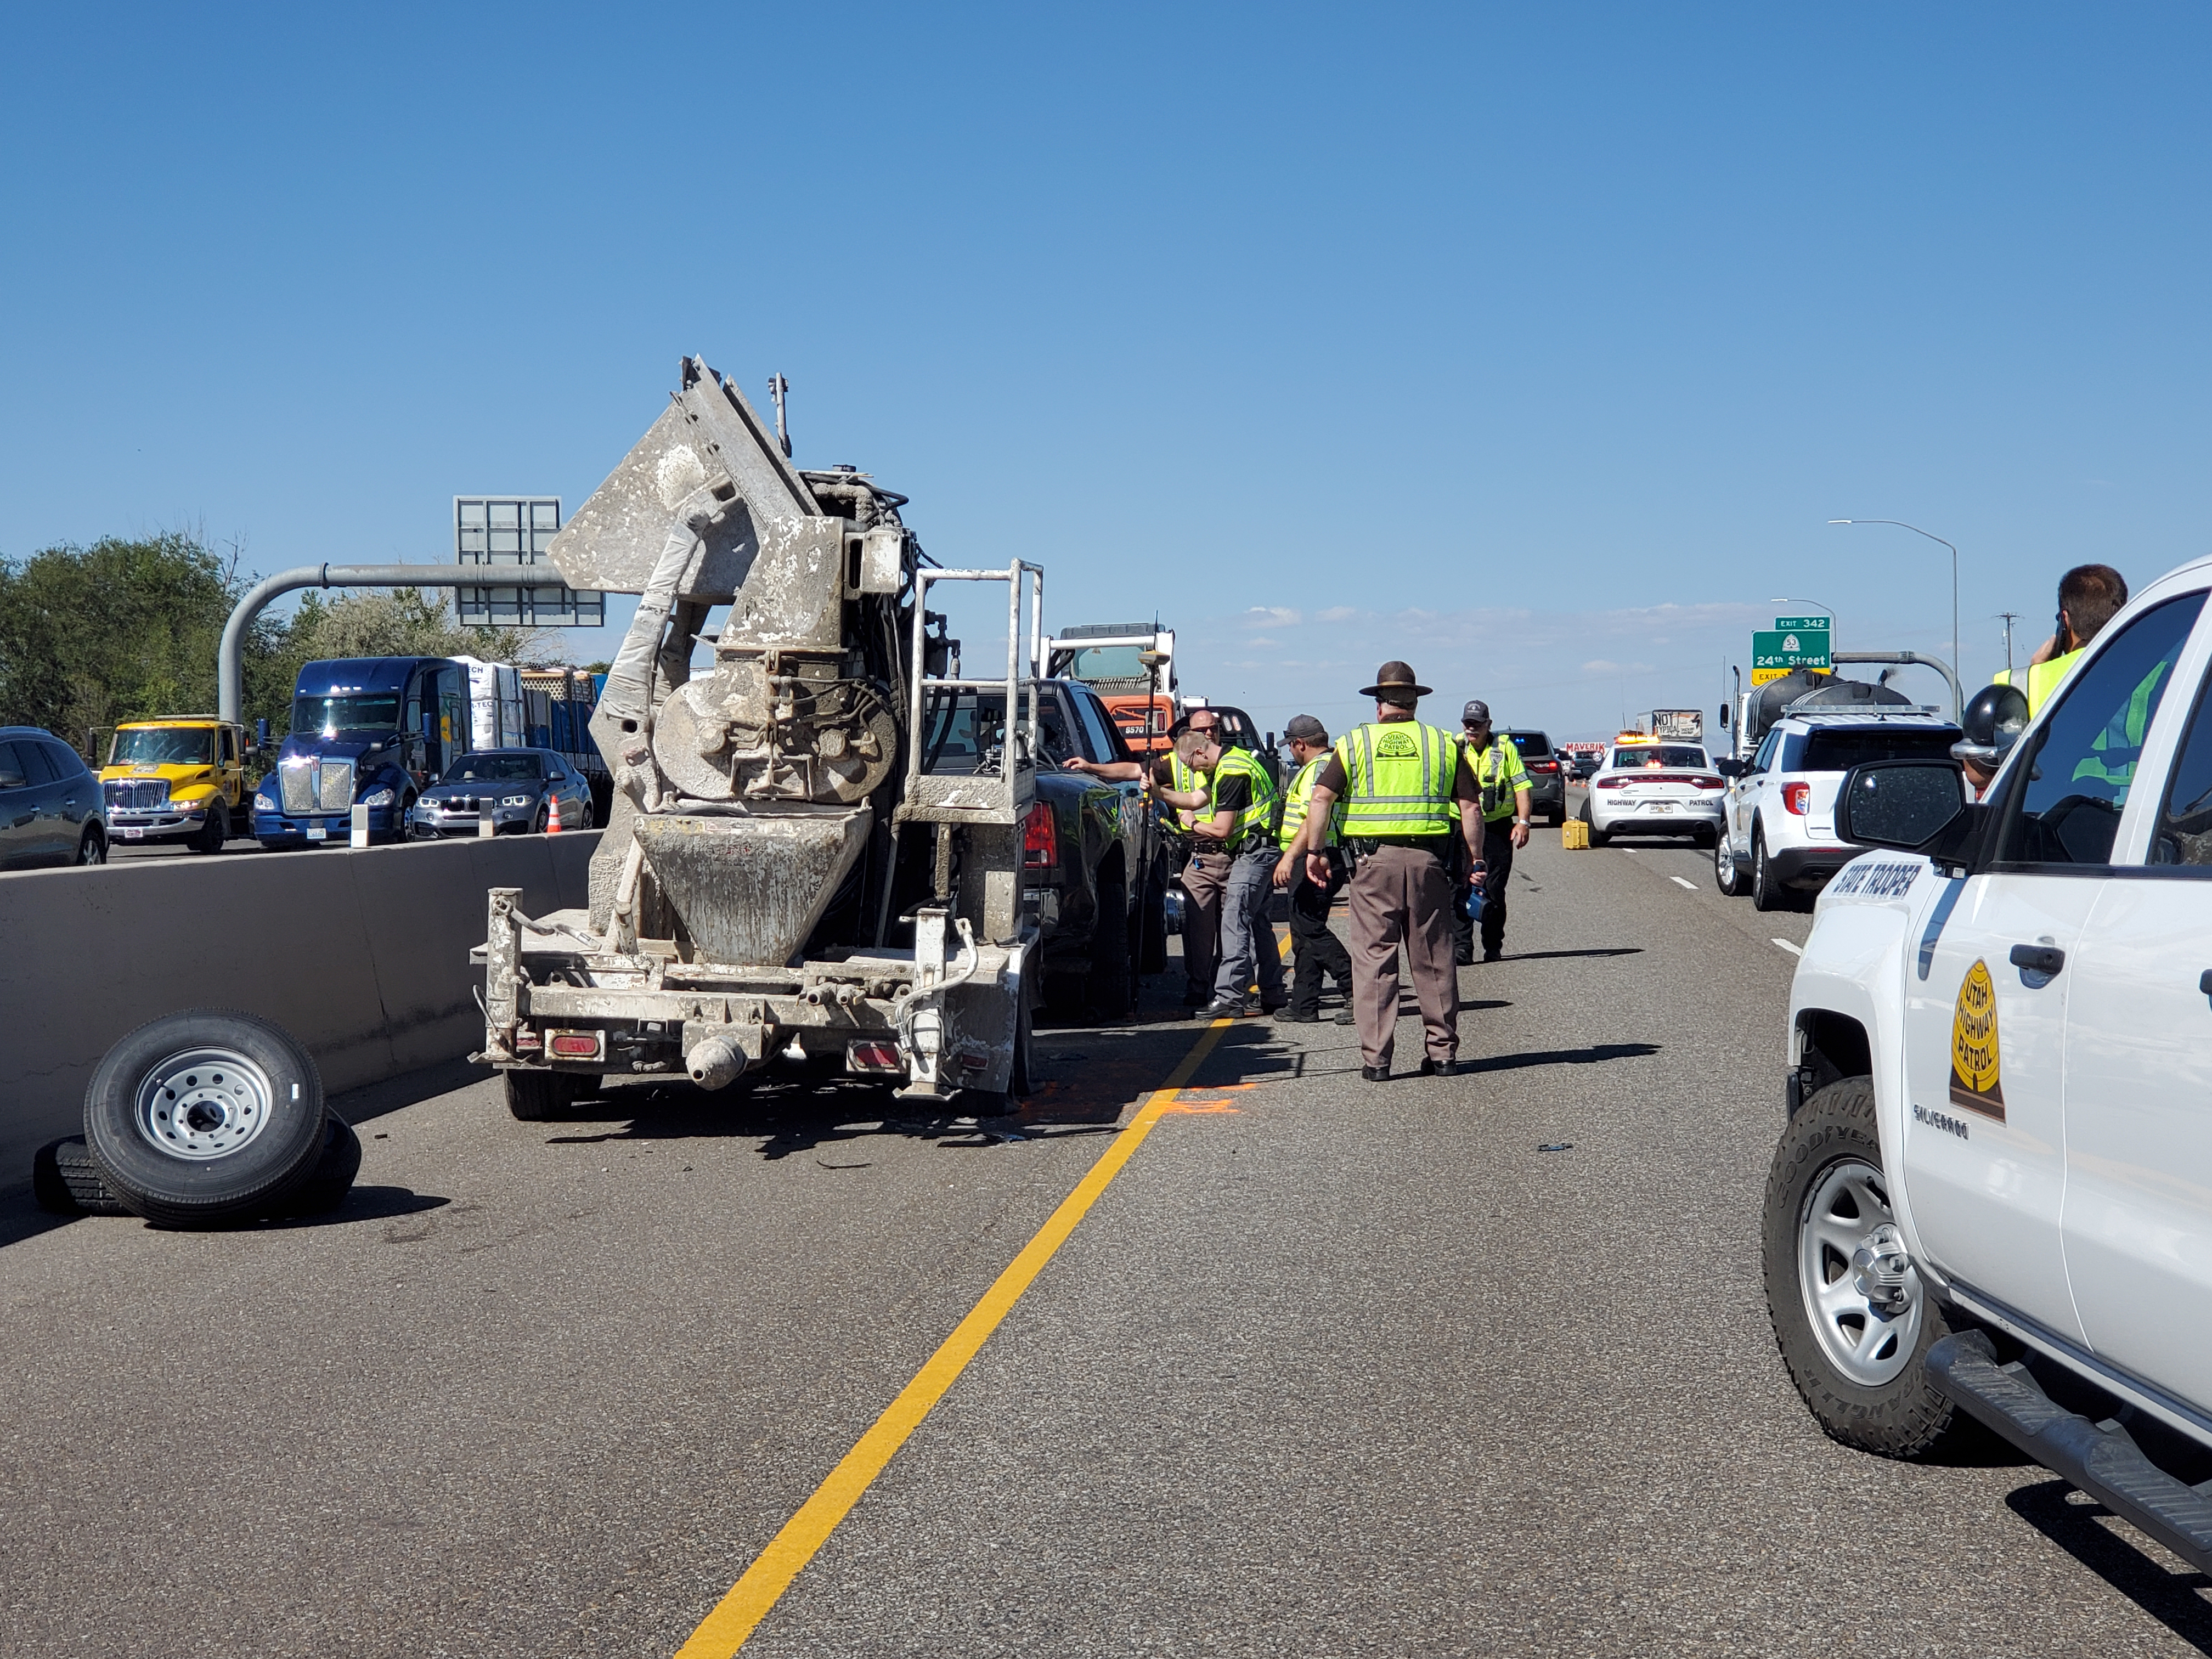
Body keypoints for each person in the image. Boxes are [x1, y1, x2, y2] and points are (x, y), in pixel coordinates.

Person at [1295, 662, 1484, 1081]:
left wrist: (1316, 850)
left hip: (1372, 864)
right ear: (1415, 702)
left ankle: (1377, 1060)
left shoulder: (1355, 742)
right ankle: (1443, 1054)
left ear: (1379, 704)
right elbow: (1471, 807)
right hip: (1428, 864)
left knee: (1374, 960)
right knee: (1434, 959)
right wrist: (1476, 859)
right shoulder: (1442, 744)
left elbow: (1322, 797)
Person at [1066, 707, 1226, 1007]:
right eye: (1201, 730)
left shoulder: (1231, 762)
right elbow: (1133, 770)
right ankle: (1199, 987)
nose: (1208, 734)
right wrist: (1091, 767)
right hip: (1200, 855)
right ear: (1187, 734)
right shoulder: (1175, 764)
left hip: (1234, 854)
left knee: (1236, 930)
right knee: (1199, 932)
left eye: (1212, 729)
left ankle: (1234, 989)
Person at [1963, 564, 2130, 792]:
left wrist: (2036, 671)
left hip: (2055, 818)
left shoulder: (2021, 685)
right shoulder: (2165, 669)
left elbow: (1978, 775)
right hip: (2154, 814)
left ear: (2065, 620)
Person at [1173, 724, 1288, 1019]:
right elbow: (1194, 800)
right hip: (1263, 849)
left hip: (1253, 854)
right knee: (1259, 924)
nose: (1195, 771)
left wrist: (1192, 825)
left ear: (1200, 752)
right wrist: (1161, 792)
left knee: (1234, 921)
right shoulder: (1236, 759)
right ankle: (1273, 991)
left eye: (1191, 764)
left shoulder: (1230, 773)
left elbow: (1222, 830)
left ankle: (1230, 997)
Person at [1269, 714, 1356, 1023]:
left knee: (1309, 929)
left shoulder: (1320, 769)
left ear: (1300, 743)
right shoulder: (1321, 766)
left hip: (1316, 857)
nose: (1290, 752)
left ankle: (1355, 989)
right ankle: (1305, 1003)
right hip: (1317, 856)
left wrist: (1290, 857)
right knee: (1302, 931)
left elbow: (1312, 819)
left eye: (1291, 746)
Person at [1453, 701, 1531, 964]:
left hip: (1496, 828)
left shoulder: (1505, 749)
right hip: (1460, 826)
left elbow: (1522, 787)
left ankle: (1492, 945)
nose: (1471, 728)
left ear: (1489, 724)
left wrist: (1523, 822)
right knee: (1459, 886)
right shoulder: (1455, 747)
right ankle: (1462, 947)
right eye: (1467, 723)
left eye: (1477, 724)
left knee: (1494, 889)